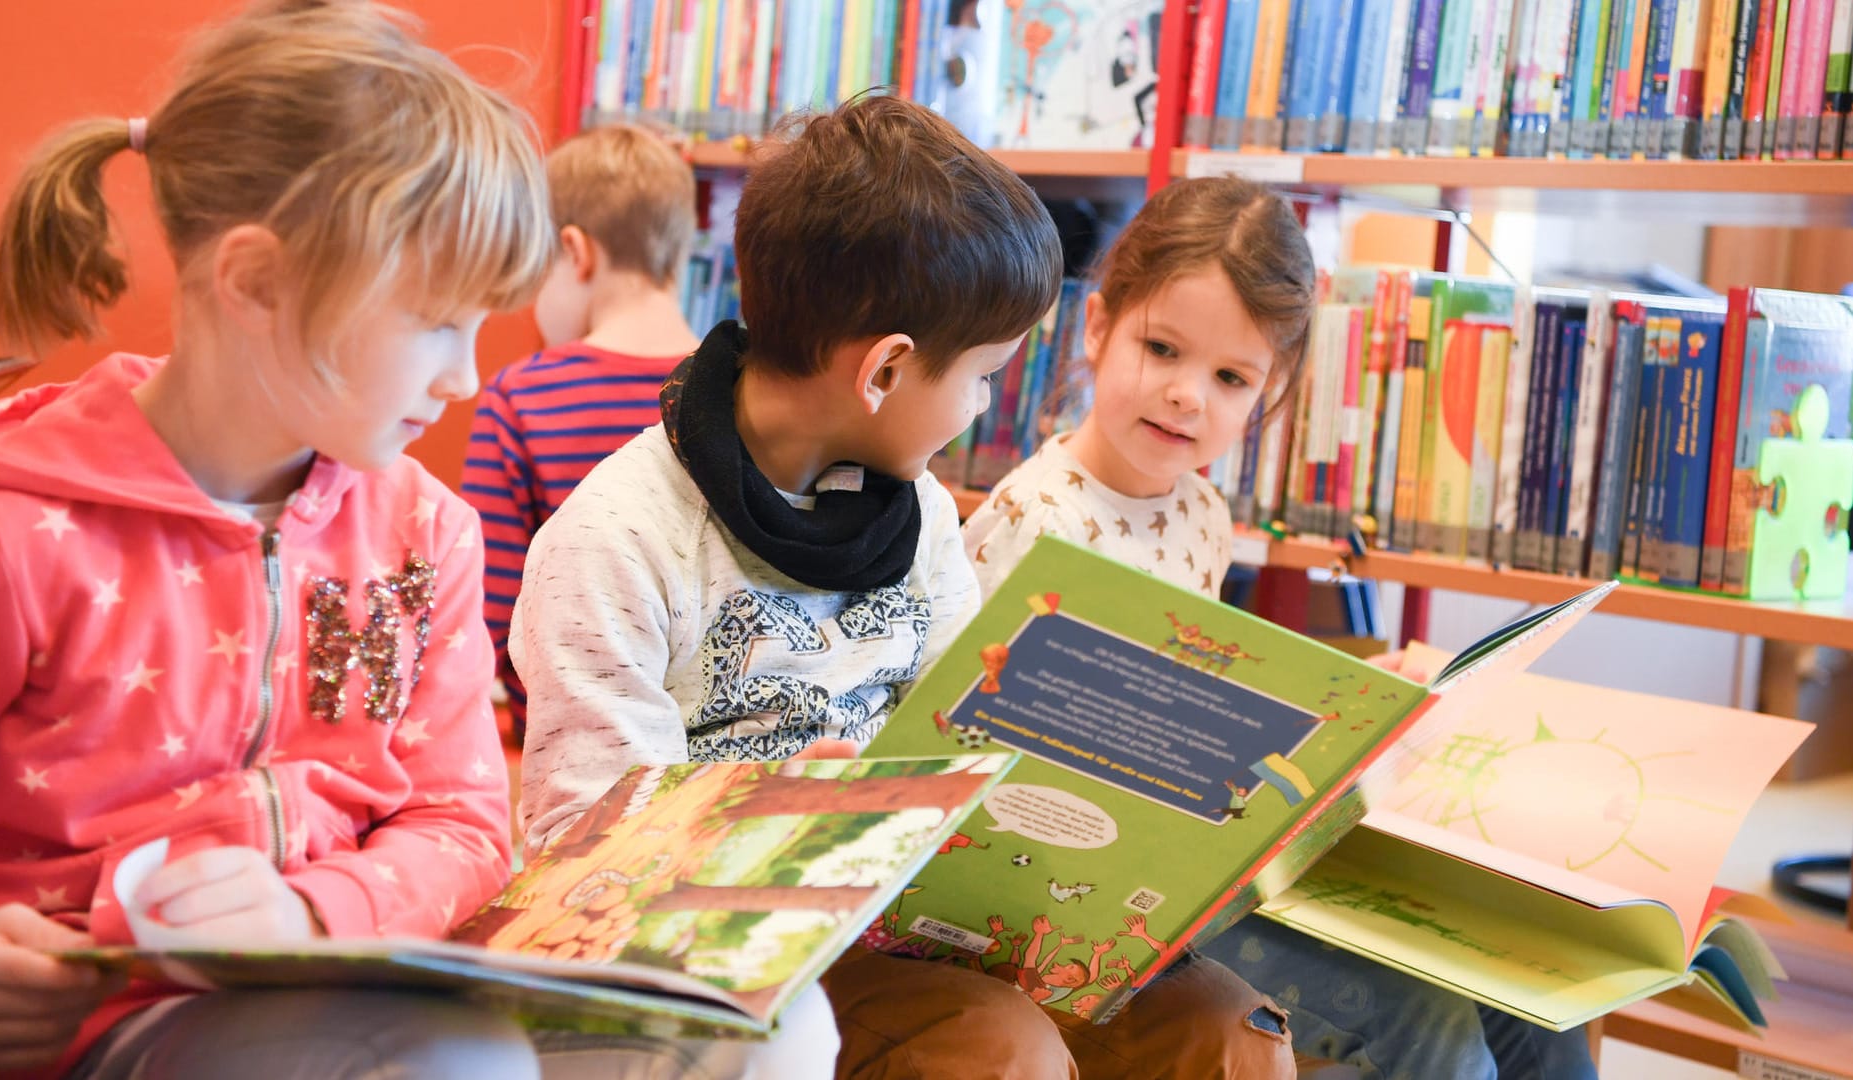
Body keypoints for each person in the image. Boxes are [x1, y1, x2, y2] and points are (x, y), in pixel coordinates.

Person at [0, 4, 835, 1078]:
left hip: (356, 980)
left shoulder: (425, 531)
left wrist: (316, 914)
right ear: (258, 282)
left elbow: (462, 821)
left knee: (770, 1027)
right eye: (435, 321)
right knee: (451, 1062)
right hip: (100, 1031)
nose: (466, 378)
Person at [513, 94, 1294, 1078]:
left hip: (923, 924)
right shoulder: (617, 538)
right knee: (999, 1049)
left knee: (1226, 1028)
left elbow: (974, 736)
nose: (978, 410)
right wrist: (781, 820)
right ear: (885, 371)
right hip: (739, 963)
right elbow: (582, 853)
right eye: (980, 380)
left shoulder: (918, 513)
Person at [964, 174, 1599, 1080]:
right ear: (1098, 327)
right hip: (1094, 905)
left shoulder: (1203, 514)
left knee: (1532, 985)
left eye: (1230, 377)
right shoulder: (1034, 520)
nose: (1188, 396)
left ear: (1273, 388)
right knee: (1426, 1023)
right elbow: (977, 767)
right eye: (1163, 348)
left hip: (1217, 873)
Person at [461, 123, 702, 740]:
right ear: (679, 252)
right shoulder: (746, 390)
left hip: (569, 734)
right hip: (719, 731)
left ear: (575, 252)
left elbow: (486, 612)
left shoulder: (520, 398)